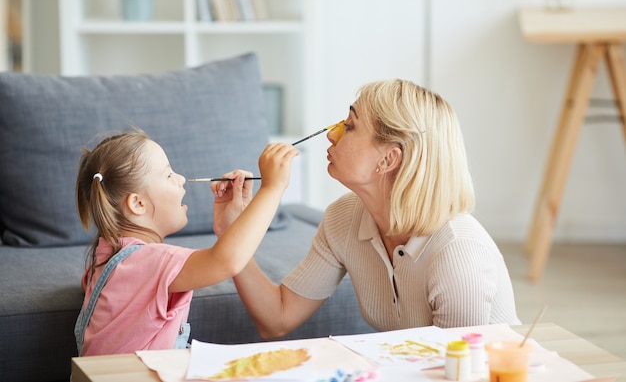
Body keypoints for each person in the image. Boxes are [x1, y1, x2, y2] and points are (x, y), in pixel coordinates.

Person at [214, 79, 520, 339]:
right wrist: (232, 232)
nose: (332, 134)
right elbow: (276, 318)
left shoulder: (457, 250)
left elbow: (458, 372)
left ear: (388, 160)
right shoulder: (343, 218)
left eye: (349, 126)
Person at [74, 128, 298, 356]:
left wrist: (229, 227)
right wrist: (272, 188)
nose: (181, 179)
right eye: (169, 174)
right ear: (138, 204)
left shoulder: (105, 258)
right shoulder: (153, 261)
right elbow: (226, 261)